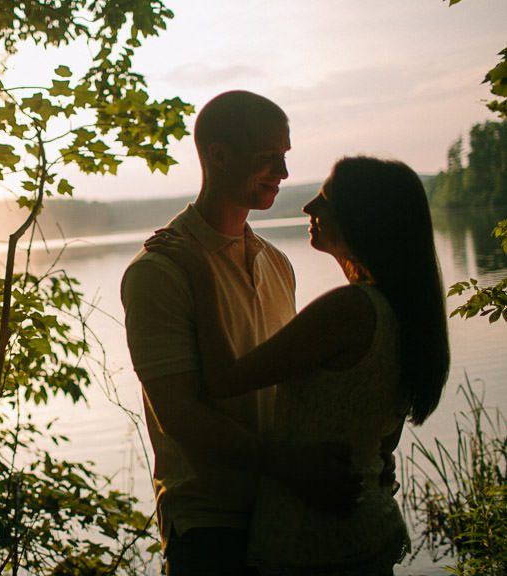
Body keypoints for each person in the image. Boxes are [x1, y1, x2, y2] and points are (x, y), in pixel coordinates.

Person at [145, 156, 450, 575]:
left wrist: (201, 273)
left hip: (315, 538)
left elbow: (223, 379)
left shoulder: (350, 309)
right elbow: (383, 436)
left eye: (324, 199)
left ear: (362, 217)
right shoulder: (405, 313)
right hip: (367, 522)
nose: (308, 208)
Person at [121, 90, 367, 576]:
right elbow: (181, 416)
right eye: (267, 158)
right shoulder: (159, 272)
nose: (283, 173)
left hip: (287, 511)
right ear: (218, 155)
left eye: (284, 156)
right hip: (212, 529)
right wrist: (293, 466)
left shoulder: (278, 264)